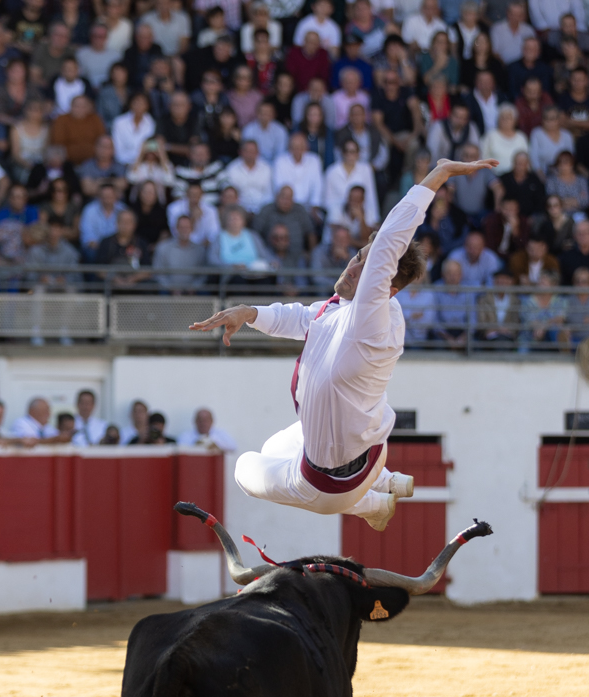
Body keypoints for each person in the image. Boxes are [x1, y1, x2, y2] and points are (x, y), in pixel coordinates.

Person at [188, 156, 498, 530]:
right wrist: (250, 312)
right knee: (272, 449)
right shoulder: (348, 308)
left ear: (385, 287)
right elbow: (303, 318)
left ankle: (371, 503)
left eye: (365, 270)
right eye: (356, 257)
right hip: (363, 451)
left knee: (244, 468)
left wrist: (439, 174)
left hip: (330, 484)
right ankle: (382, 480)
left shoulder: (371, 320)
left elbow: (388, 244)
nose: (351, 268)